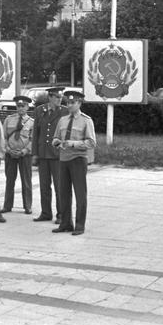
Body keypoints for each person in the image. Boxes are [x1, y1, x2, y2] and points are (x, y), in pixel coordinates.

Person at [51, 91, 96, 236]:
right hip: (64, 159)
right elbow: (55, 137)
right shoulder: (63, 120)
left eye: (72, 102)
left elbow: (91, 142)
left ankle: (79, 225)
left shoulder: (86, 120)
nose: (69, 105)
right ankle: (65, 223)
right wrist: (57, 142)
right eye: (68, 103)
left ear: (79, 103)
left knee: (79, 194)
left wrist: (74, 143)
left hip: (77, 159)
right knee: (64, 193)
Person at [31, 86, 69, 224]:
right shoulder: (40, 110)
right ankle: (46, 212)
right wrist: (34, 153)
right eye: (57, 97)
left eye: (61, 97)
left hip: (57, 154)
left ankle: (61, 214)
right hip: (43, 153)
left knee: (60, 186)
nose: (60, 100)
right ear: (50, 97)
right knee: (44, 185)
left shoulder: (64, 111)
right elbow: (36, 133)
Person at [1, 95, 34, 215]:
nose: (20, 108)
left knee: (26, 181)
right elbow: (3, 137)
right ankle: (7, 205)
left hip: (24, 155)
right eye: (18, 106)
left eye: (23, 106)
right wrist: (8, 149)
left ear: (27, 107)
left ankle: (28, 206)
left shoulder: (31, 122)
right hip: (10, 153)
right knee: (10, 180)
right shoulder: (9, 119)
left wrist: (24, 151)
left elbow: (32, 140)